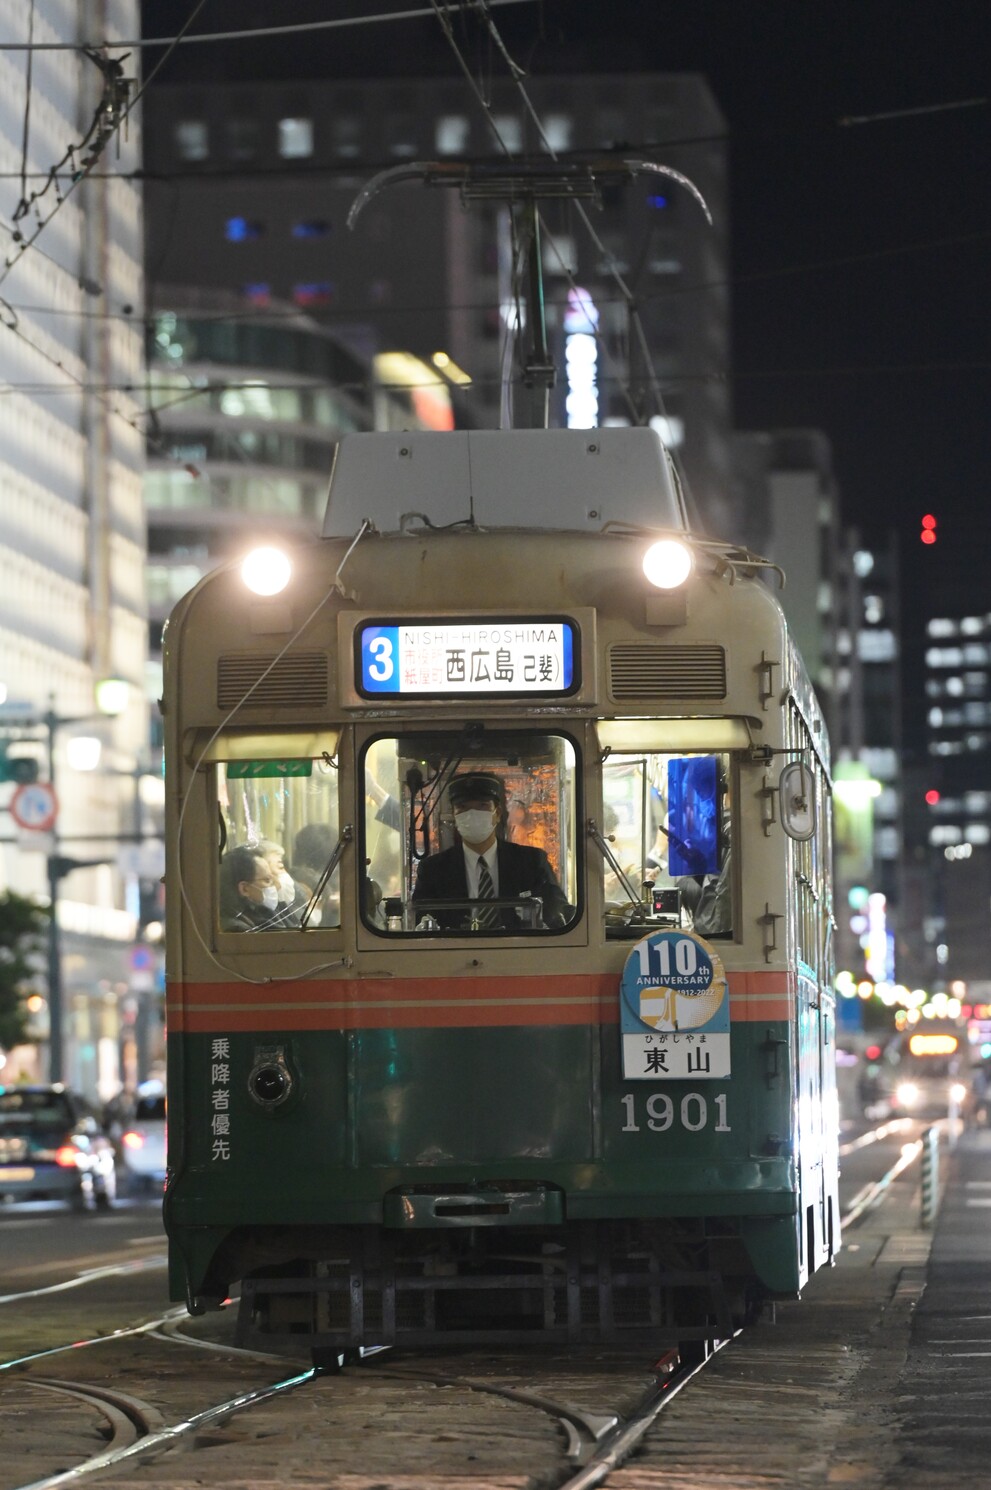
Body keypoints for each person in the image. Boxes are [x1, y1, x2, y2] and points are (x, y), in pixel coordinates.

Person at [412, 771, 571, 930]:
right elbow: (418, 922)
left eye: (483, 806)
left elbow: (558, 914)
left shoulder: (531, 862)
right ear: (454, 816)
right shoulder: (433, 870)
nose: (472, 815)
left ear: (498, 813)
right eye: (462, 808)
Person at [219, 845, 282, 931]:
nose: (277, 885)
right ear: (244, 889)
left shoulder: (254, 915)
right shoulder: (237, 930)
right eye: (267, 880)